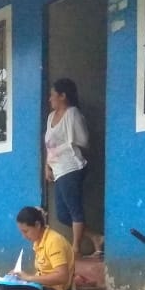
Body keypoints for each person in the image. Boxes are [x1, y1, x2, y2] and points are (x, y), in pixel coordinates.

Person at [44, 78, 101, 257]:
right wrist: (47, 166)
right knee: (62, 214)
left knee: (75, 210)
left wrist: (66, 147)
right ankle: (95, 237)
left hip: (71, 166)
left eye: (53, 95)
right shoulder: (50, 117)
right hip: (58, 169)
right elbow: (49, 145)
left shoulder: (72, 114)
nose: (50, 99)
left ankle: (75, 249)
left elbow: (83, 140)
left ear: (63, 96)